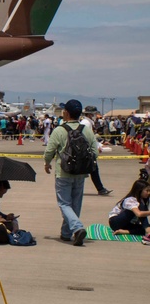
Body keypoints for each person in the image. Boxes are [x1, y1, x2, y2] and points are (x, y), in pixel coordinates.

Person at [43, 99, 98, 246]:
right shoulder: (86, 130)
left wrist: (47, 163)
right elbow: (94, 150)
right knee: (76, 203)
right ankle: (66, 233)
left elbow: (49, 151)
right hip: (81, 173)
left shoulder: (60, 130)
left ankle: (77, 227)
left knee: (64, 203)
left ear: (65, 113)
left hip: (63, 172)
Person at [80, 109, 112, 197]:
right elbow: (87, 138)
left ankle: (100, 188)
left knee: (91, 170)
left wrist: (99, 145)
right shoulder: (86, 123)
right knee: (91, 169)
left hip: (88, 149)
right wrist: (96, 147)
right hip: (86, 150)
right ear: (90, 114)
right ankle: (100, 189)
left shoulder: (88, 122)